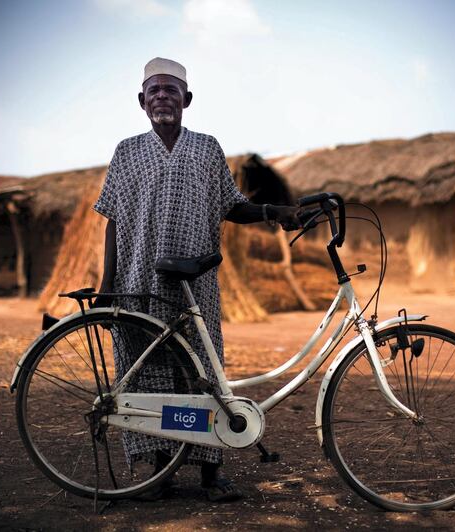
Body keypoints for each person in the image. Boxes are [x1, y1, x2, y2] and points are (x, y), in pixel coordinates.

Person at [93, 57, 300, 502]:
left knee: (202, 374)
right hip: (137, 280)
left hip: (195, 283)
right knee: (145, 374)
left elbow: (232, 205)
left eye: (171, 90)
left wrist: (270, 212)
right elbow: (110, 220)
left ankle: (210, 472)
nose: (162, 96)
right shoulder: (127, 152)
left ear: (187, 99)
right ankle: (158, 473)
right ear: (141, 101)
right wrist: (107, 283)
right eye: (154, 90)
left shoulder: (207, 148)